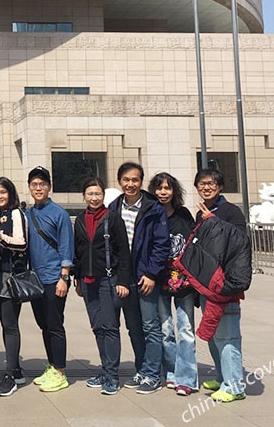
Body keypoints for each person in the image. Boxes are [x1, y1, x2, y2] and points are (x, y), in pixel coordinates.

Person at [108, 162, 170, 394]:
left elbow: (161, 245)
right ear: (120, 181)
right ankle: (142, 370)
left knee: (150, 326)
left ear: (141, 182)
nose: (130, 184)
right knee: (134, 327)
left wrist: (152, 274)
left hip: (146, 277)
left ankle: (153, 375)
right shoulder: (114, 207)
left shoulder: (154, 208)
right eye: (126, 180)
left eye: (135, 180)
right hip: (125, 277)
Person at [192, 168, 250, 403]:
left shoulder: (230, 211)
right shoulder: (202, 212)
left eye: (212, 183)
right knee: (215, 334)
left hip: (225, 284)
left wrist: (213, 222)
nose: (207, 187)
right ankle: (221, 375)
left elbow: (239, 241)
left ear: (221, 186)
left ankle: (235, 385)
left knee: (228, 336)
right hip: (208, 284)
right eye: (202, 184)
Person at [73, 177, 132, 396]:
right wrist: (77, 280)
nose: (94, 198)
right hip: (88, 281)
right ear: (84, 196)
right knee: (97, 326)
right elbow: (78, 252)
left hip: (109, 280)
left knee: (110, 327)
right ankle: (104, 370)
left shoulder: (113, 219)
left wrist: (123, 281)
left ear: (103, 196)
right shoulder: (80, 220)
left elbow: (124, 252)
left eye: (98, 194)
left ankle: (112, 376)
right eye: (90, 194)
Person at [147, 172, 198, 396]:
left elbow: (194, 243)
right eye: (159, 188)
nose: (163, 192)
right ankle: (170, 372)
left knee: (186, 329)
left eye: (167, 188)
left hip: (184, 281)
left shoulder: (184, 214)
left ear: (174, 191)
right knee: (165, 329)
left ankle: (186, 378)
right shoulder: (150, 215)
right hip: (159, 280)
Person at [25, 166, 74, 392]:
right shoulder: (28, 214)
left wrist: (64, 277)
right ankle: (52, 367)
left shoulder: (60, 214)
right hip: (36, 279)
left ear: (49, 187)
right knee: (44, 325)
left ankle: (61, 372)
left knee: (55, 325)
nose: (38, 188)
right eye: (34, 184)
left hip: (54, 278)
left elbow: (66, 247)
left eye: (42, 184)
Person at [0, 177, 28, 397]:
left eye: (3, 192)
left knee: (10, 325)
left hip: (11, 277)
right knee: (4, 322)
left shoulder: (17, 213)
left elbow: (22, 242)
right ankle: (16, 370)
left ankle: (11, 375)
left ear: (10, 193)